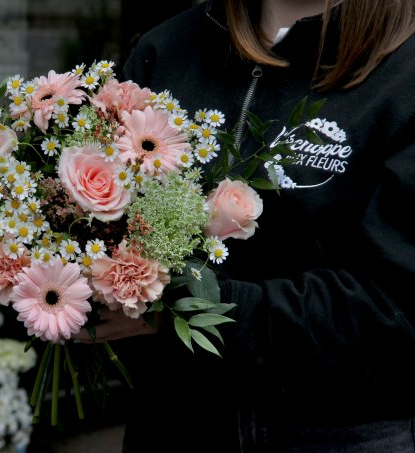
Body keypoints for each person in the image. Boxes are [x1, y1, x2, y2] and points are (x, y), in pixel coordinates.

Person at [73, 0, 415, 451]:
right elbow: (97, 219)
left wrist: (196, 307)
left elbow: (396, 310)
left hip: (342, 432)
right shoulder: (168, 47)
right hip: (174, 424)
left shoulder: (403, 67)